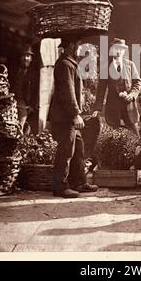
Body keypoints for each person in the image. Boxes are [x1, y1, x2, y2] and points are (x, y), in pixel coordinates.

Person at [49, 36, 98, 198]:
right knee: (66, 150)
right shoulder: (64, 65)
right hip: (65, 117)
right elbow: (67, 93)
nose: (79, 49)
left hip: (68, 116)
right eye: (78, 45)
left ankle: (79, 182)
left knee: (78, 148)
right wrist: (76, 114)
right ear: (70, 46)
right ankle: (60, 187)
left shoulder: (69, 63)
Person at [92, 38, 141, 135]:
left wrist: (131, 95)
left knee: (135, 134)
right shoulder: (105, 67)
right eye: (116, 48)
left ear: (124, 51)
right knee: (115, 134)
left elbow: (137, 83)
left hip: (129, 106)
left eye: (121, 49)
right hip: (113, 107)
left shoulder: (130, 65)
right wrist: (97, 108)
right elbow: (101, 89)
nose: (118, 51)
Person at [12, 44, 36, 131]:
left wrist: (32, 105)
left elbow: (36, 91)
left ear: (31, 58)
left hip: (26, 103)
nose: (26, 58)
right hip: (13, 100)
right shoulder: (14, 70)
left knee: (21, 124)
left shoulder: (34, 74)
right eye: (24, 55)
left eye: (28, 56)